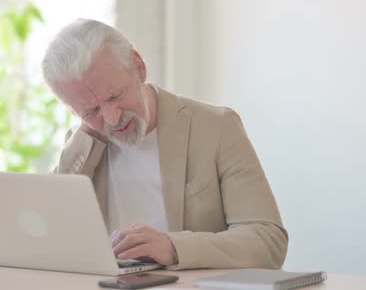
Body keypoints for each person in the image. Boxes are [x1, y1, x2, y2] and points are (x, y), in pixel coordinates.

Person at [41, 18, 288, 270]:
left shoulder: (217, 127)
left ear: (139, 67)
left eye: (115, 96)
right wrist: (85, 133)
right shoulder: (82, 147)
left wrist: (174, 247)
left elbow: (268, 240)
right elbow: (45, 238)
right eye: (91, 110)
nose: (112, 118)